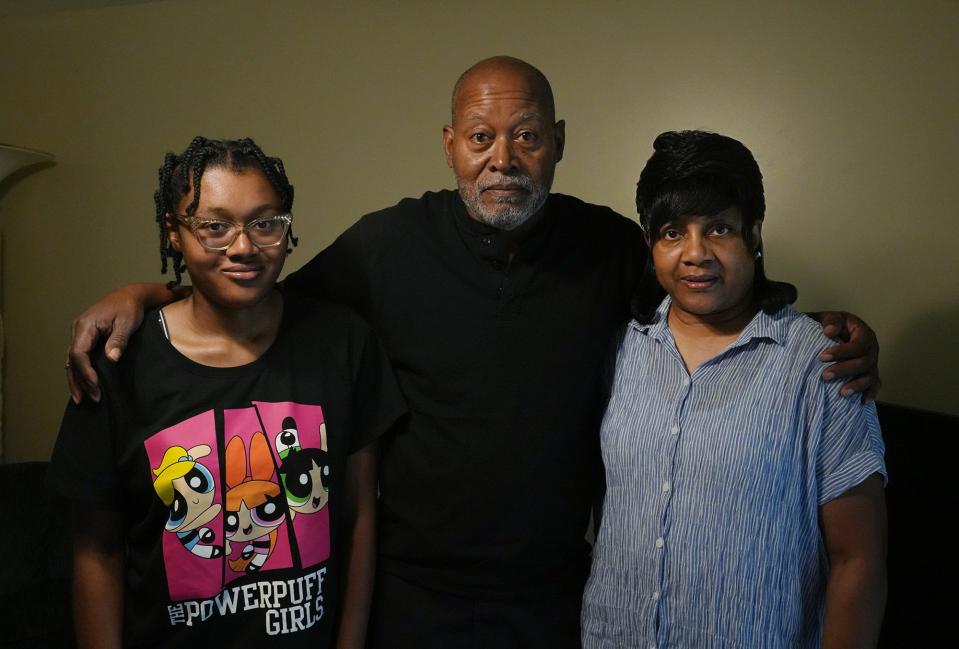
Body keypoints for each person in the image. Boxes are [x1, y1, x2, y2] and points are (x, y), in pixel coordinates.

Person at [64, 58, 880, 648]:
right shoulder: (385, 246)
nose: (503, 158)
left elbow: (707, 284)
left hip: (557, 596)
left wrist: (812, 323)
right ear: (449, 143)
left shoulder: (605, 245)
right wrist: (147, 293)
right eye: (482, 136)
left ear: (556, 141)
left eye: (525, 135)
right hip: (410, 594)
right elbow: (254, 281)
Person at [47, 137, 405, 648]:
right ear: (174, 233)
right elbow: (95, 551)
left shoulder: (344, 346)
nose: (242, 247)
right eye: (214, 227)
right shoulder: (120, 364)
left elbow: (358, 516)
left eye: (264, 223)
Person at [581, 131, 887, 648]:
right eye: (673, 233)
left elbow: (858, 558)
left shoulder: (819, 364)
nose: (695, 254)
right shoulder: (618, 348)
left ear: (755, 234)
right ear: (650, 245)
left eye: (719, 228)